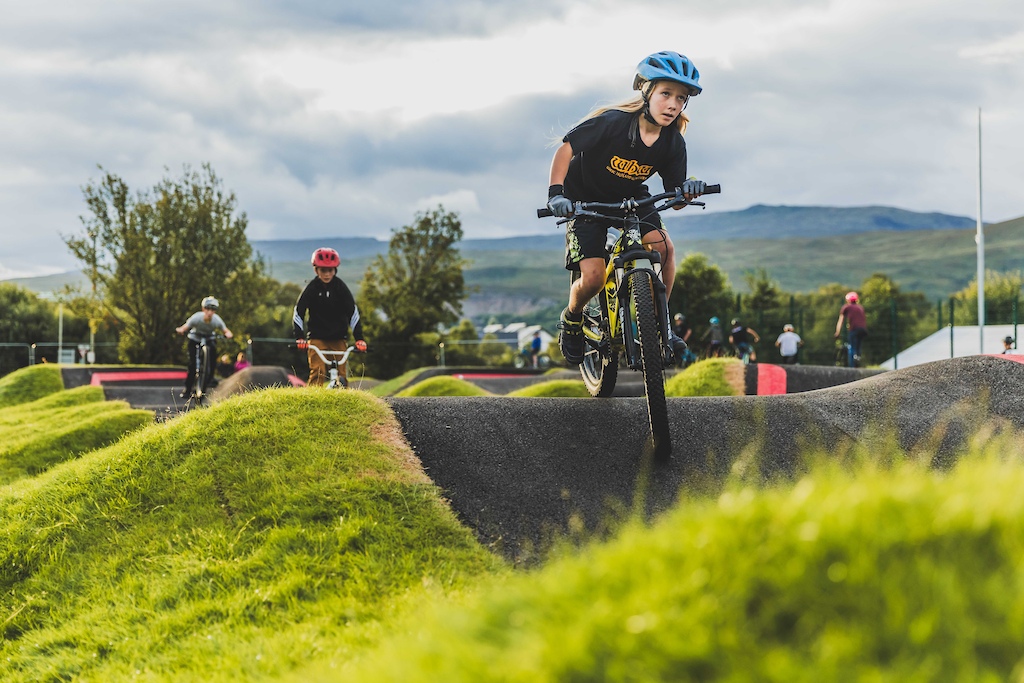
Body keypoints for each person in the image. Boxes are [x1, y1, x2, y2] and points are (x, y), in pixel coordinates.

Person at [546, 50, 708, 365]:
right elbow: (566, 149)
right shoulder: (613, 123)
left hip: (632, 198)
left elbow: (674, 197)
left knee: (663, 247)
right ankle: (573, 317)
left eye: (681, 98)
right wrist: (556, 195)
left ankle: (662, 324)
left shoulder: (673, 142)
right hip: (584, 199)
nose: (674, 104)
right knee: (592, 278)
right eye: (666, 94)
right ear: (645, 91)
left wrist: (687, 189)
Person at [293, 247, 367, 386]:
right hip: (317, 339)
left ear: (335, 270)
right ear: (316, 270)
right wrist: (300, 337)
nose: (327, 274)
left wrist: (359, 339)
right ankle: (312, 403)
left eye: (330, 270)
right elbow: (298, 312)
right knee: (317, 371)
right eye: (323, 270)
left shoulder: (340, 288)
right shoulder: (312, 288)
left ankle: (346, 405)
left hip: (338, 339)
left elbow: (353, 313)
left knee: (342, 376)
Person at [176, 296, 234, 398]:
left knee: (213, 355)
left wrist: (229, 334)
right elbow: (185, 326)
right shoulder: (197, 317)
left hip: (208, 338)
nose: (210, 312)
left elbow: (226, 330)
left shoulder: (216, 320)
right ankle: (187, 389)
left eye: (213, 310)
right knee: (192, 365)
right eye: (208, 309)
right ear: (203, 309)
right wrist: (181, 330)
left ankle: (209, 378)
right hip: (194, 338)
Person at [834, 291, 868, 367]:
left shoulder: (846, 307)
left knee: (851, 346)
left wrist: (837, 332)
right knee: (858, 345)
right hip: (863, 329)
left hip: (854, 329)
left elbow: (841, 320)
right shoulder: (860, 307)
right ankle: (858, 356)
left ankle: (852, 366)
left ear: (848, 300)